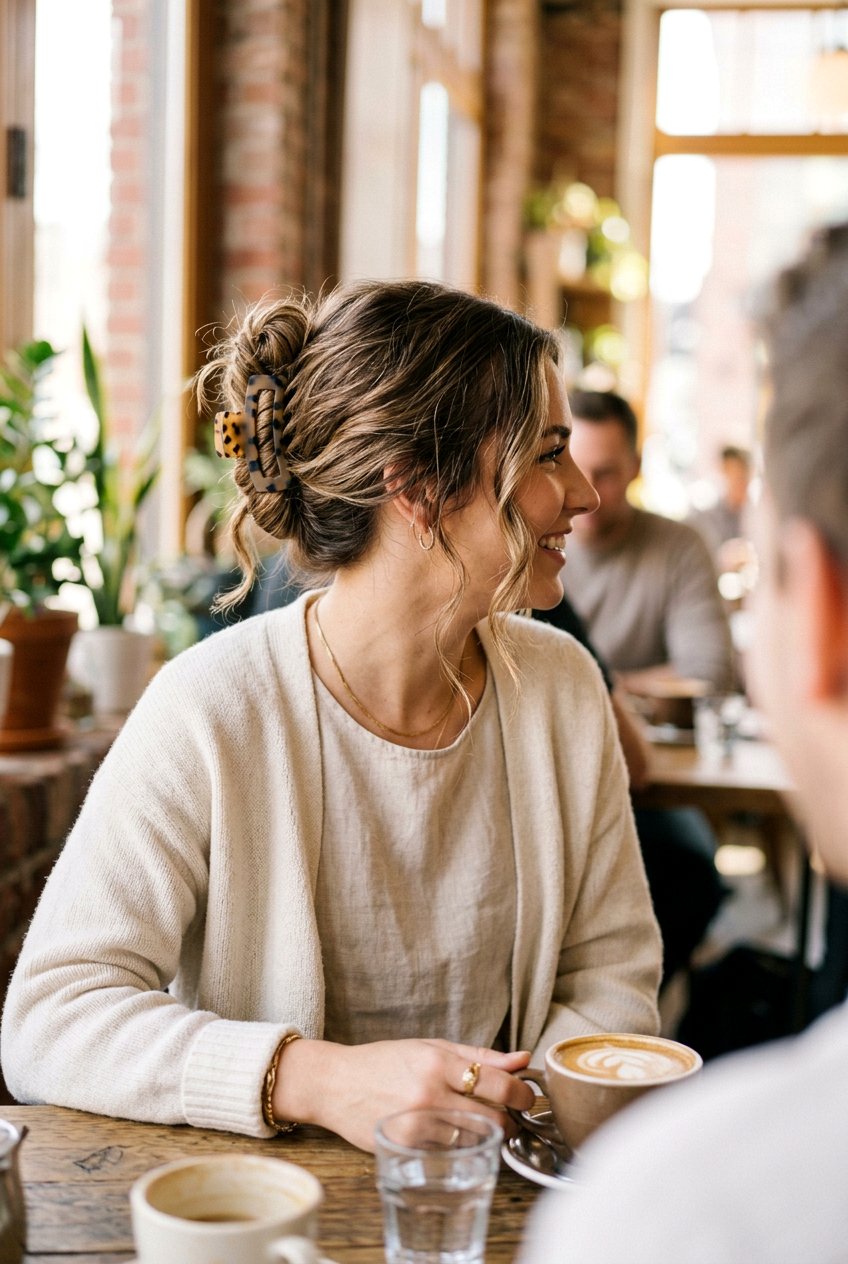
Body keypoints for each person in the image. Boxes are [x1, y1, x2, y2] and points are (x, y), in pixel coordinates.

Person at [0, 280, 662, 1152]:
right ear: (419, 488)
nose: (585, 493)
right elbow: (50, 1019)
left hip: (483, 1201)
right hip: (259, 1211)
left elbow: (614, 971)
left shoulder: (563, 687)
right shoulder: (211, 707)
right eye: (547, 454)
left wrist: (495, 1111)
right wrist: (314, 1078)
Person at [520, 220, 848, 1261]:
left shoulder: (672, 1218)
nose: (585, 494)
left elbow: (704, 672)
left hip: (656, 789)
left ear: (819, 615)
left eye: (598, 468)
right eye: (555, 460)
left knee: (684, 871)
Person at [562, 389, 735, 696]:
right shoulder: (524, 546)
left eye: (605, 474)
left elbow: (708, 673)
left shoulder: (681, 547)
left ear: (635, 468)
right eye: (572, 468)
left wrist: (586, 692)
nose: (586, 492)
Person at [687, 443, 753, 563]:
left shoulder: (754, 515)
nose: (737, 482)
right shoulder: (707, 517)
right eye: (732, 475)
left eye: (741, 476)